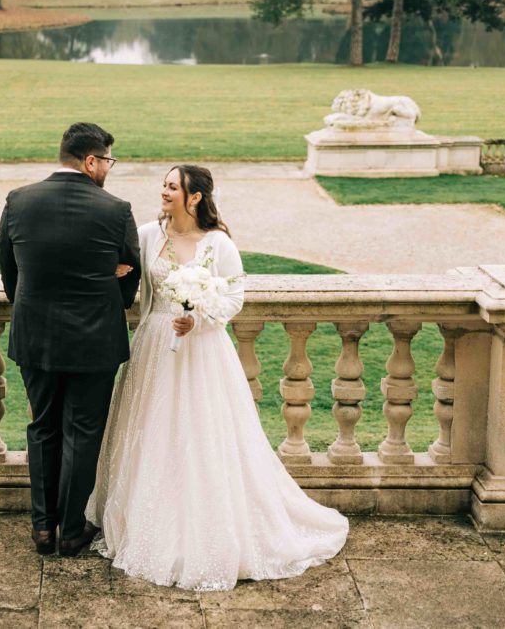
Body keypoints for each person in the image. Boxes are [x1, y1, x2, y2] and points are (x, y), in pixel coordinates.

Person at [85, 164, 348, 591]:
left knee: (202, 433)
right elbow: (128, 277)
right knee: (151, 430)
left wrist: (200, 318)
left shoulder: (219, 243)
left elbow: (234, 295)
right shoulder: (148, 234)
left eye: (173, 187)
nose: (164, 191)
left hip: (202, 349)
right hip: (154, 345)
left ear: (195, 197)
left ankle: (209, 526)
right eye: (164, 185)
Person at [0, 122, 141, 557]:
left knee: (42, 427)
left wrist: (30, 303)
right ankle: (71, 530)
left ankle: (43, 529)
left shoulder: (19, 200)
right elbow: (129, 278)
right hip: (94, 339)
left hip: (35, 334)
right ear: (91, 161)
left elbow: (9, 270)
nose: (109, 169)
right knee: (83, 432)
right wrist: (105, 280)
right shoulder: (116, 210)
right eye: (108, 161)